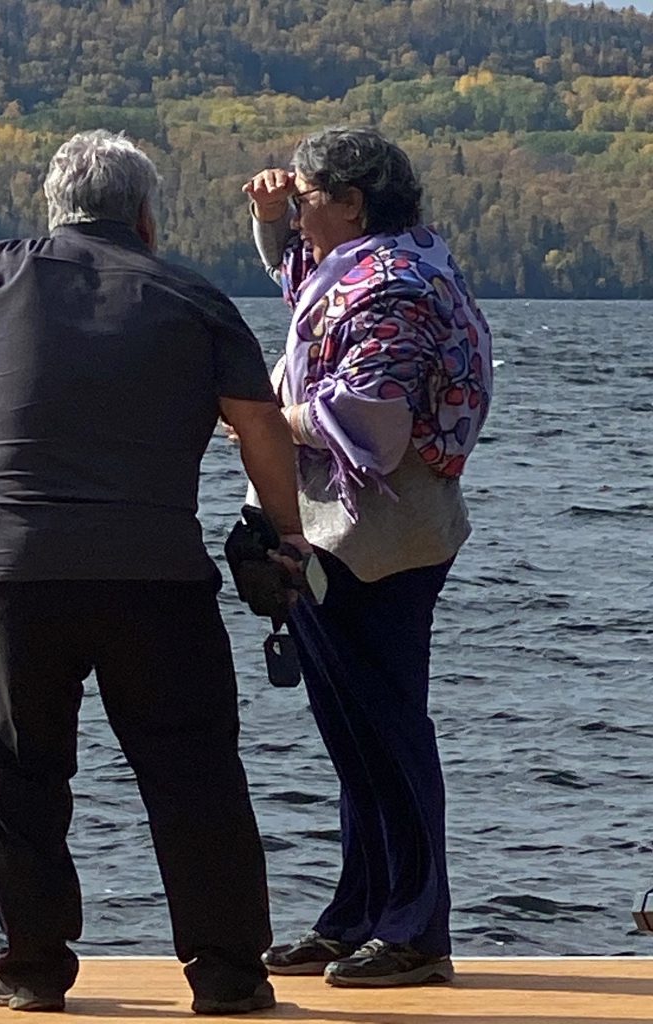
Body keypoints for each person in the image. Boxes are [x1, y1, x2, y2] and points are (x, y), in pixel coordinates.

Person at [0, 129, 312, 1016]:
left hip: (16, 576)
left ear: (53, 207)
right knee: (195, 779)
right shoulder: (193, 297)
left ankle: (35, 972)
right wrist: (286, 535)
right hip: (157, 581)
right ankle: (228, 975)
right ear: (147, 218)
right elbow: (262, 424)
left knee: (20, 780)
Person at [241, 127, 493, 988]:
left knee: (387, 732)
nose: (298, 204)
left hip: (384, 538)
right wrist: (276, 220)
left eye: (309, 194)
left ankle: (416, 931)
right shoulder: (365, 265)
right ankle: (360, 917)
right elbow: (300, 288)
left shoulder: (394, 287)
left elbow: (373, 421)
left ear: (353, 202)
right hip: (343, 530)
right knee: (355, 738)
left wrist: (259, 423)